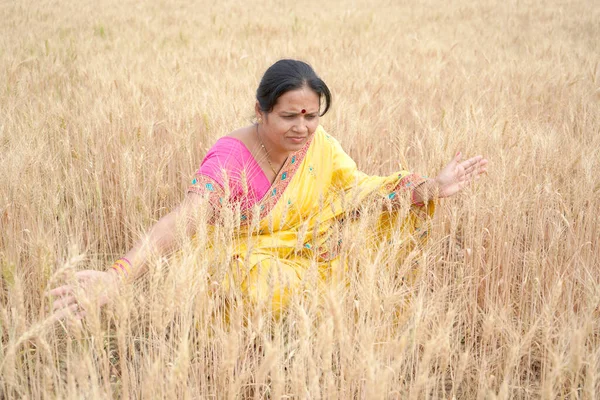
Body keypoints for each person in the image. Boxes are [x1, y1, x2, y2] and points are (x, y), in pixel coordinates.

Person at [49, 59, 488, 319]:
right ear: (260, 111)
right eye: (289, 117)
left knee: (358, 244)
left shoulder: (321, 147)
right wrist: (117, 276)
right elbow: (183, 220)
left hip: (305, 249)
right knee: (233, 278)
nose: (302, 128)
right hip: (241, 262)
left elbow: (357, 191)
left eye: (311, 116)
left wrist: (430, 187)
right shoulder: (230, 157)